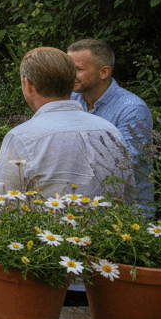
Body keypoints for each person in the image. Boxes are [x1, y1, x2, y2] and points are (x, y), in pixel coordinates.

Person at [0, 47, 133, 200]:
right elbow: (127, 197)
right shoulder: (110, 131)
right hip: (107, 223)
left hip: (46, 223)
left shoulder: (21, 137)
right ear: (72, 83)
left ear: (28, 85)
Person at [67, 38, 154, 205]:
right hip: (81, 202)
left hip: (126, 211)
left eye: (77, 69)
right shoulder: (72, 99)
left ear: (104, 72)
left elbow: (120, 166)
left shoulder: (132, 109)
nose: (70, 75)